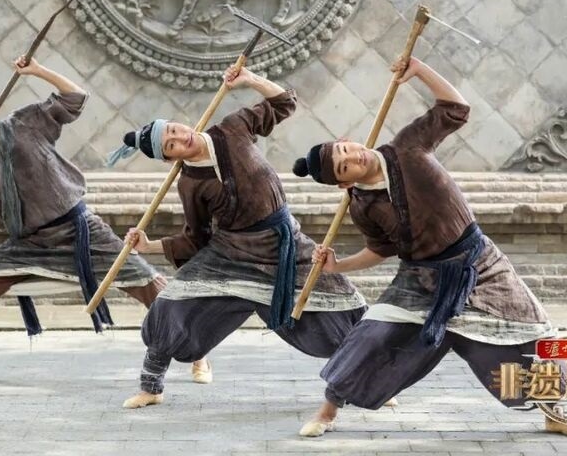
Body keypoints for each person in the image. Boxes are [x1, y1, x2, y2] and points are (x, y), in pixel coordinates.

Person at [292, 55, 567, 439]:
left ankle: (554, 411)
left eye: (346, 150)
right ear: (341, 183)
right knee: (373, 336)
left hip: (478, 264)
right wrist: (336, 266)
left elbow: (456, 108)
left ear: (348, 141)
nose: (352, 158)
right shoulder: (361, 205)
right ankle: (327, 412)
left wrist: (420, 70)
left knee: (523, 333)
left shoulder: (407, 147)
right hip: (419, 277)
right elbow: (381, 250)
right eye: (343, 166)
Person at [108, 64, 378, 411]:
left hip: (285, 244)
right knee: (171, 302)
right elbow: (195, 238)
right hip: (231, 253)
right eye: (170, 145)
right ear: (169, 158)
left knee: (344, 300)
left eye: (174, 130)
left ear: (182, 123)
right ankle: (151, 386)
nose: (179, 139)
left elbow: (283, 102)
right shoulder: (189, 183)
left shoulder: (232, 129)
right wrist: (149, 246)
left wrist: (249, 80)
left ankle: (370, 379)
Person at [0, 55, 207, 383]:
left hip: (80, 229)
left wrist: (36, 71)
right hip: (31, 242)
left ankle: (199, 355)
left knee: (146, 279)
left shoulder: (25, 123)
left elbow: (75, 98)